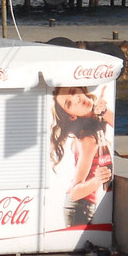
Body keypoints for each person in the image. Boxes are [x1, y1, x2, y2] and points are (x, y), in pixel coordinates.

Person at [50, 85, 113, 228]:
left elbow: (120, 126)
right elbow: (75, 192)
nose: (77, 99)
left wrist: (103, 111)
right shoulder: (87, 139)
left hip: (83, 206)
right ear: (72, 115)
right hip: (80, 208)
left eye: (73, 92)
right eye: (69, 103)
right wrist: (98, 180)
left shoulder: (95, 124)